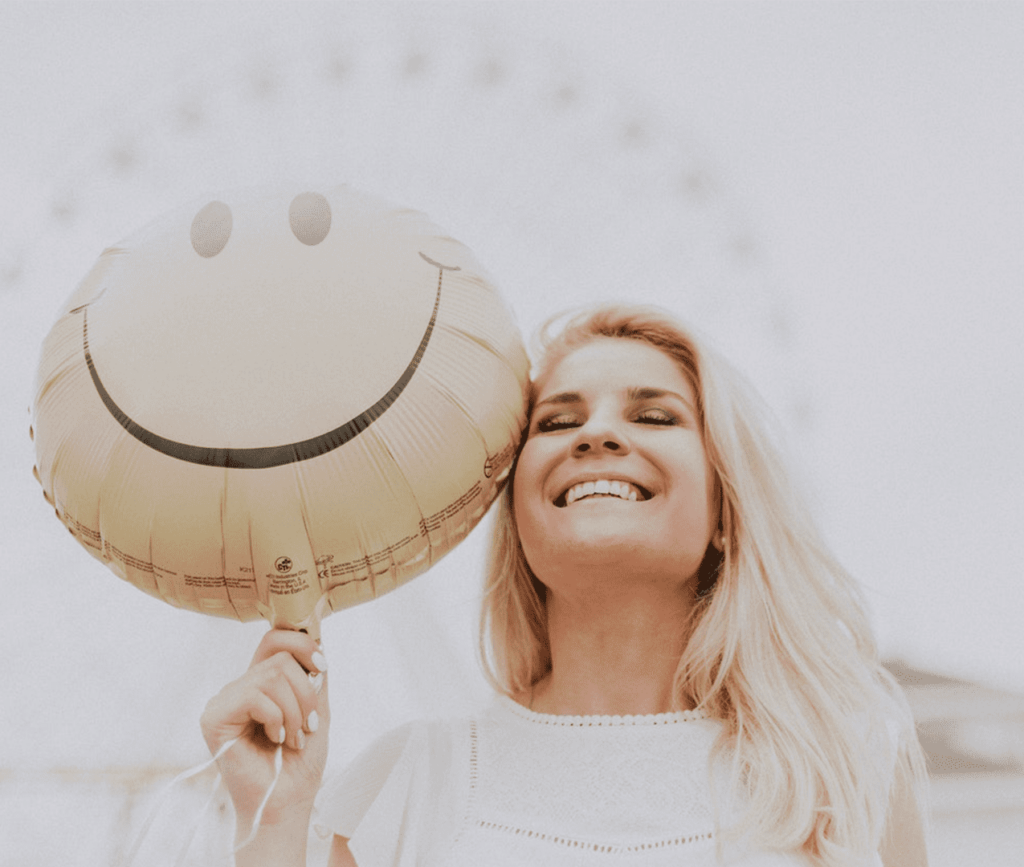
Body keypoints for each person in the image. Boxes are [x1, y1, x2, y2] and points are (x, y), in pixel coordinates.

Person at [201, 304, 929, 866]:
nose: (597, 435)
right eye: (558, 420)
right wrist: (272, 819)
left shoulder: (842, 771)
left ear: (726, 515)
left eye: (653, 414)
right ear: (515, 514)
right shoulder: (411, 783)